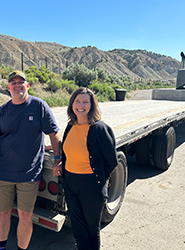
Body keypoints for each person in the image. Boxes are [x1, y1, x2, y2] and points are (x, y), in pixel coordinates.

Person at [0, 70, 61, 250]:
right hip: (4, 173)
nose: (17, 85)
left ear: (27, 86)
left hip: (29, 175)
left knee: (25, 215)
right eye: (13, 82)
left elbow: (54, 134)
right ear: (8, 88)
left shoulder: (39, 106)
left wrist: (58, 160)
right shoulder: (2, 111)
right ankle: (2, 248)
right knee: (3, 212)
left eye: (21, 82)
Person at [61, 87, 118, 250]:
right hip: (71, 184)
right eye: (77, 101)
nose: (81, 105)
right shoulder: (70, 126)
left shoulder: (99, 128)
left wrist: (99, 180)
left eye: (85, 102)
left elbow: (112, 160)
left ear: (92, 105)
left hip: (91, 186)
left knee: (91, 230)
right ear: (72, 104)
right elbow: (67, 150)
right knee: (78, 230)